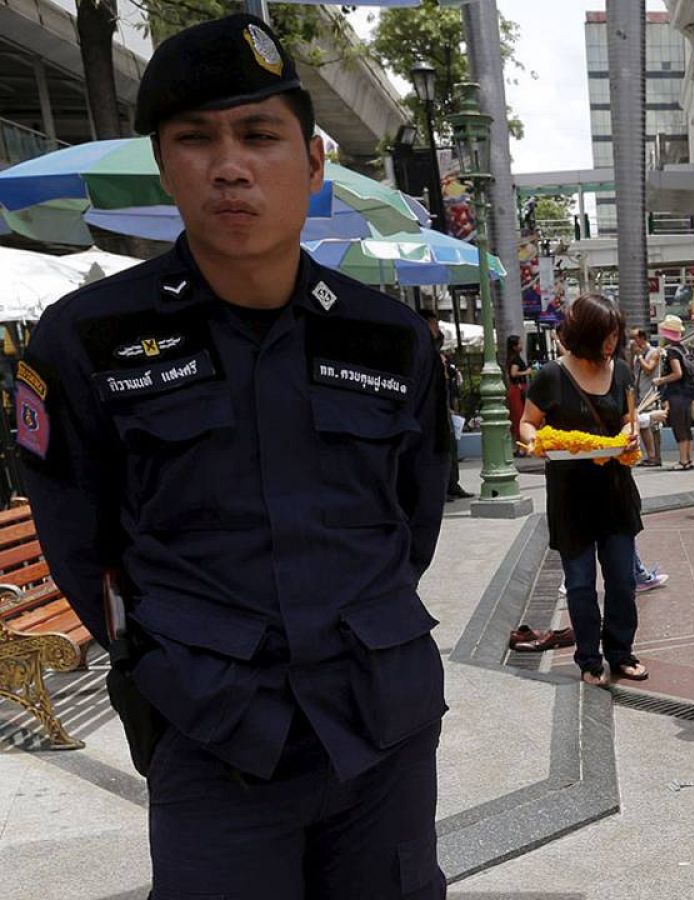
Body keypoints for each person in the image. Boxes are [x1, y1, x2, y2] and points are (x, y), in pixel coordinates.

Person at [15, 16, 450, 897]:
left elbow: (416, 518)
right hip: (213, 735)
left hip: (381, 726)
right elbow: (77, 537)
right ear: (164, 166)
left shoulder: (391, 338)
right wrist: (178, 665)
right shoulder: (91, 339)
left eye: (259, 135)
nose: (230, 166)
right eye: (195, 140)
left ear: (314, 162)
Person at [519, 294, 648, 687]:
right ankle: (589, 658)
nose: (611, 344)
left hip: (615, 492)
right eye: (604, 336)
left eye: (615, 335)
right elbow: (527, 424)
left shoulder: (622, 371)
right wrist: (539, 442)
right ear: (585, 333)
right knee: (579, 583)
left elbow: (630, 420)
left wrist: (630, 434)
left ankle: (621, 652)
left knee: (623, 580)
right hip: (571, 496)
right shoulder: (551, 376)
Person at [423, 310, 474, 499]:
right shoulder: (422, 348)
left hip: (442, 402)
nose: (436, 328)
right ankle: (440, 487)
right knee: (437, 447)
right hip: (429, 405)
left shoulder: (436, 349)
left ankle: (452, 483)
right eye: (433, 324)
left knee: (450, 445)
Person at [653, 314, 694, 470]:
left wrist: (661, 381)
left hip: (676, 394)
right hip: (687, 394)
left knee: (679, 427)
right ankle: (689, 459)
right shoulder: (683, 349)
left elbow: (677, 373)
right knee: (686, 427)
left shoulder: (671, 352)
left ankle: (683, 460)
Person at [630, 327, 663, 466]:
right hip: (639, 394)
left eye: (634, 338)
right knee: (643, 425)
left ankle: (656, 456)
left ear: (642, 338)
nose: (632, 342)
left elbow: (649, 370)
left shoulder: (653, 352)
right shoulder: (638, 354)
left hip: (650, 394)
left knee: (653, 425)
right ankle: (650, 455)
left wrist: (640, 356)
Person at [506, 334, 530, 453]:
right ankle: (521, 447)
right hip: (517, 390)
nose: (521, 345)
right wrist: (526, 372)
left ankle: (520, 446)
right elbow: (513, 373)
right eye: (519, 343)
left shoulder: (514, 358)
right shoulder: (515, 359)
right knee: (519, 417)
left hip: (517, 389)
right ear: (514, 346)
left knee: (519, 417)